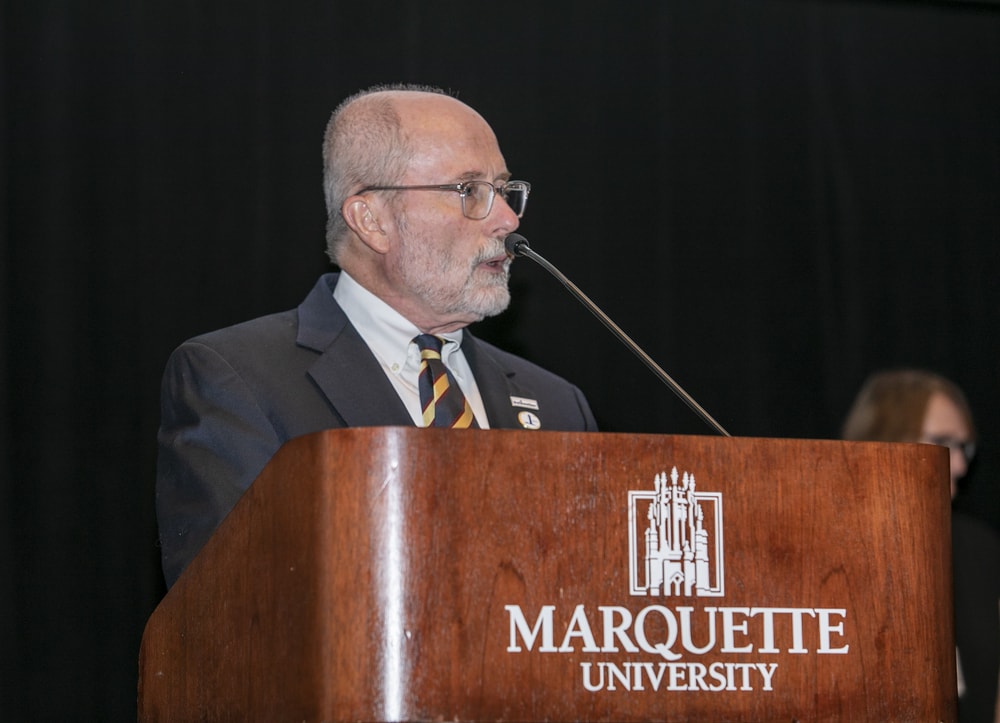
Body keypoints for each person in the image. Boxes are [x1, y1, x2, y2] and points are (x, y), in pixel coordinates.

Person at [155, 84, 598, 589]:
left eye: (504, 189)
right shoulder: (240, 381)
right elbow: (230, 610)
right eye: (470, 191)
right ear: (372, 220)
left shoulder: (558, 404)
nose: (508, 218)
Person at [842, 369, 1000, 723]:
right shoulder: (829, 550)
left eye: (966, 447)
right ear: (886, 439)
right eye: (944, 441)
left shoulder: (979, 548)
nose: (959, 465)